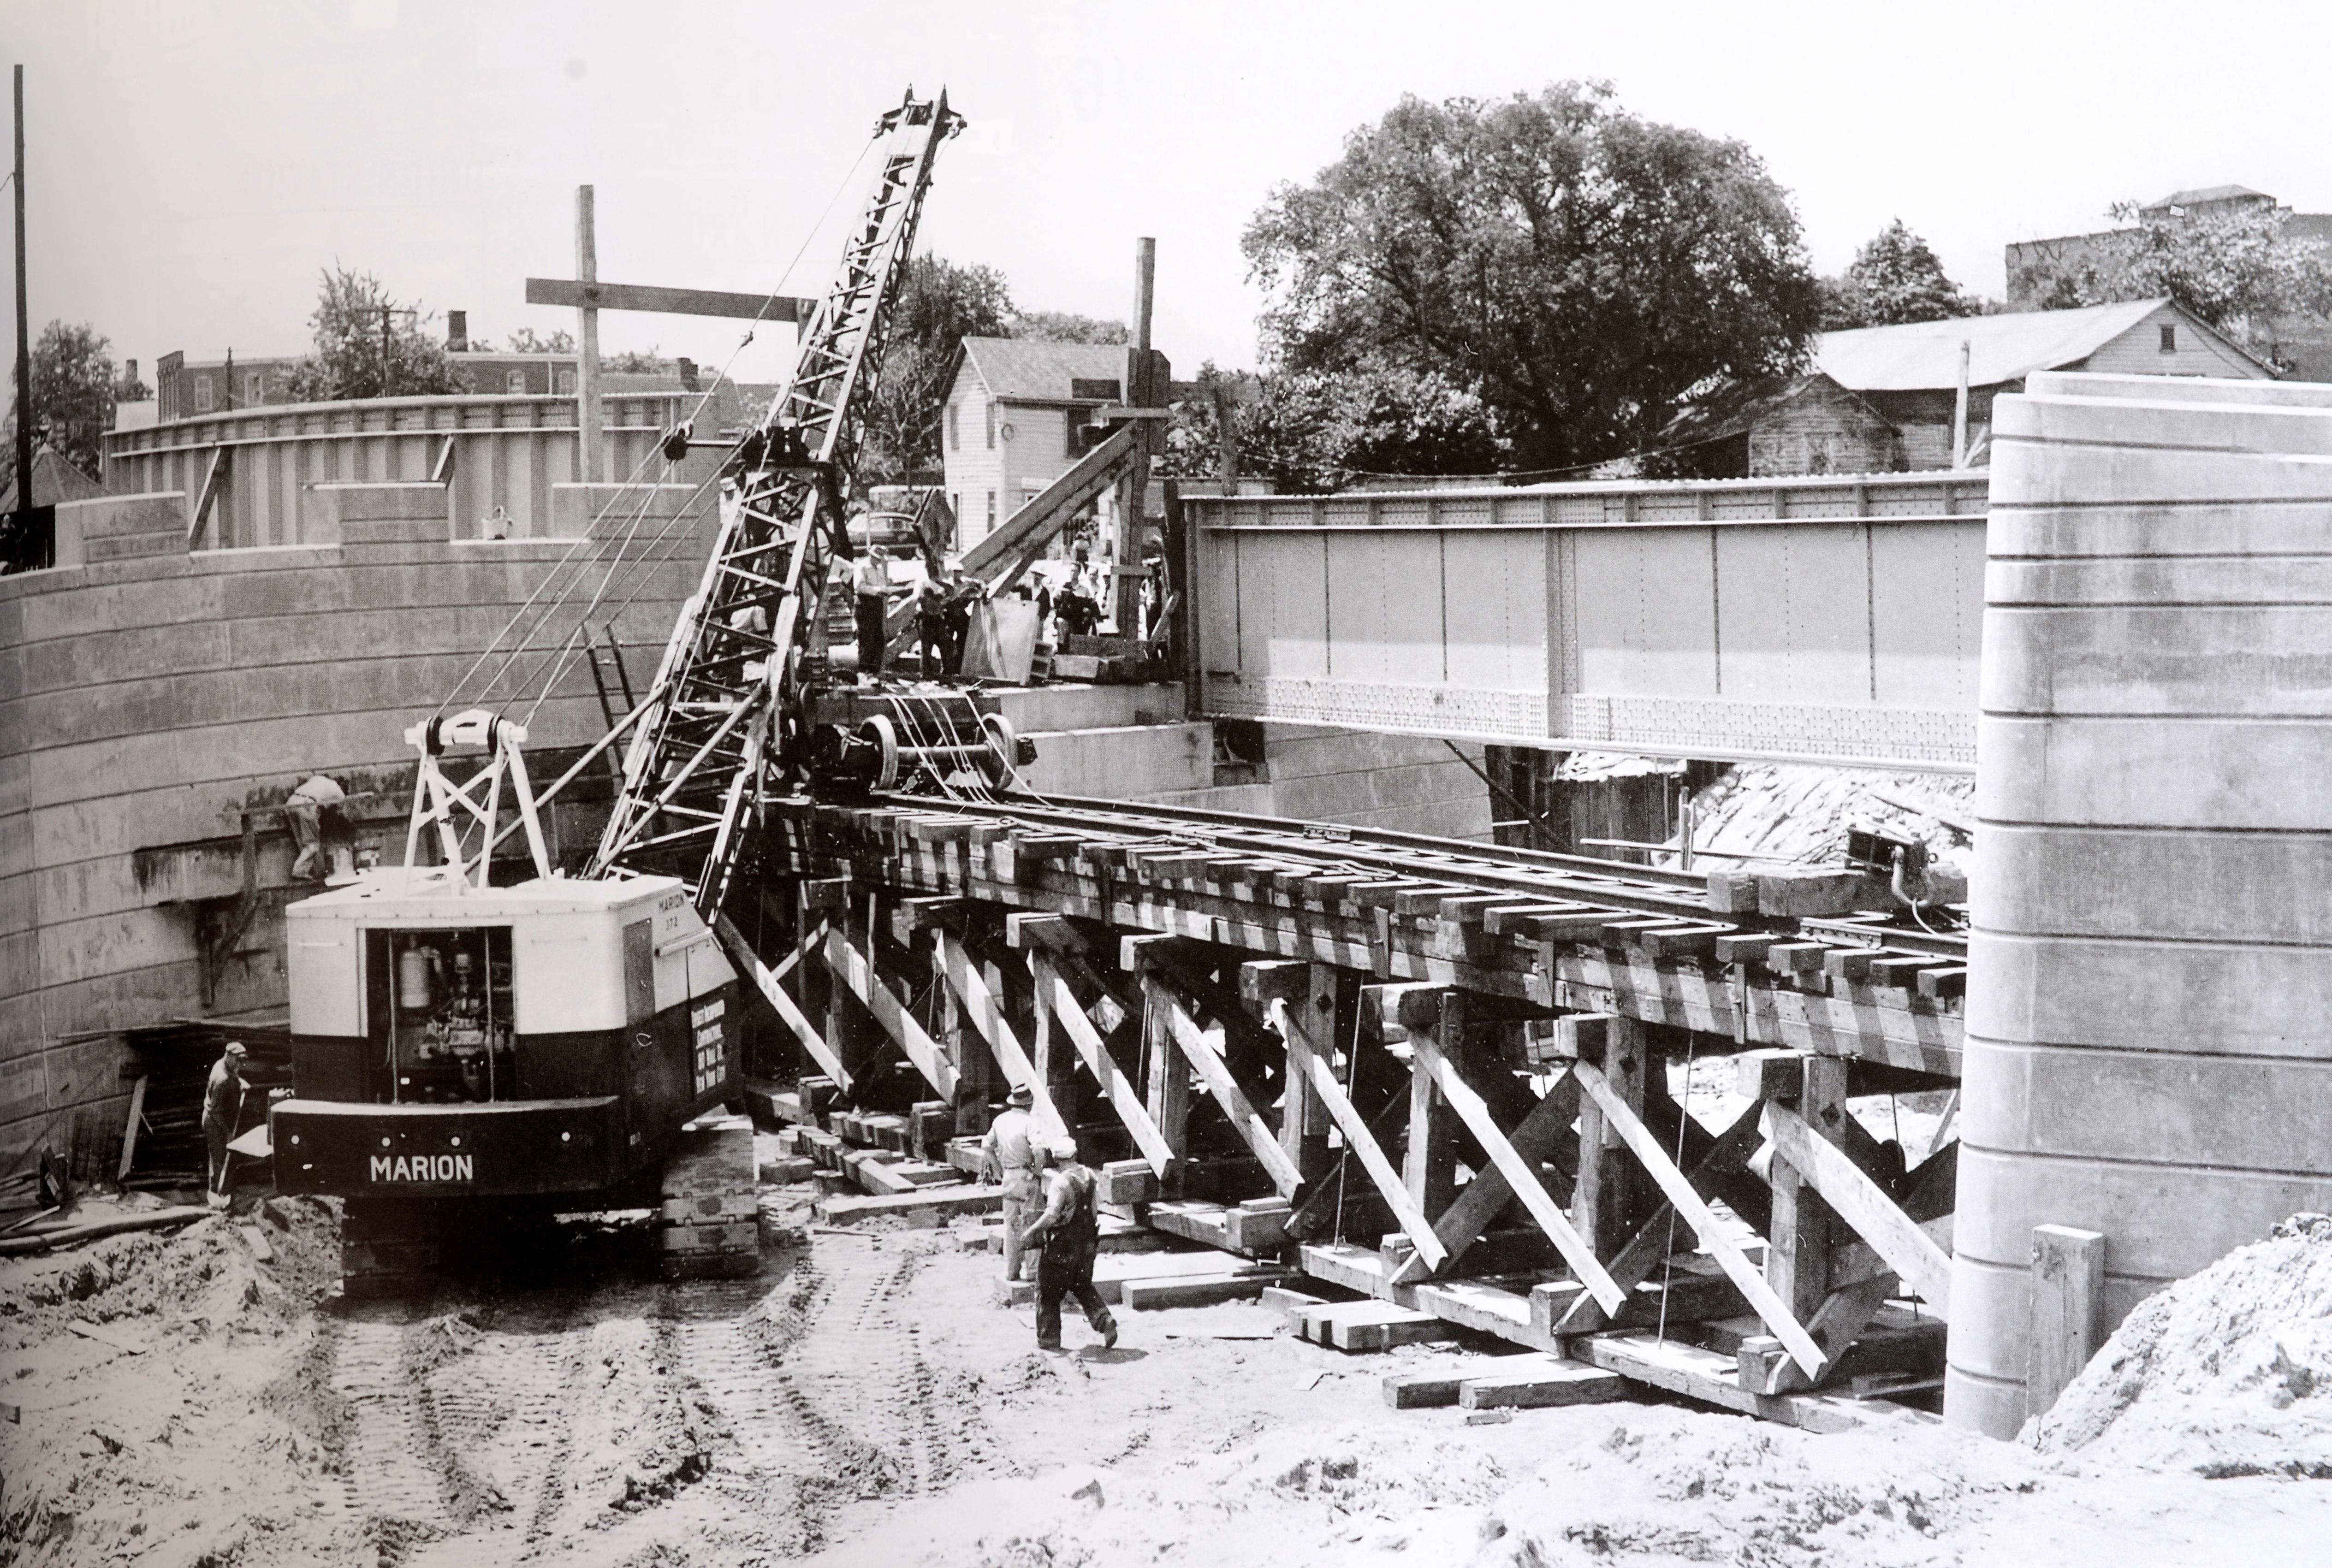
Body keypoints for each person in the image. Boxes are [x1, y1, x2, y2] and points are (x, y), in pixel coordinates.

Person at [1021, 1135, 1118, 1352]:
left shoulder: (1061, 1181)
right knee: (1082, 1285)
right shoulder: (1090, 1176)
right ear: (1075, 1155)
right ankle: (1105, 1320)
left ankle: (1049, 1342)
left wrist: (1033, 1229)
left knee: (1047, 1291)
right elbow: (1094, 1212)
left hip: (1063, 1247)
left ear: (1056, 1159)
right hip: (1087, 1246)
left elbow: (1053, 1214)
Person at [980, 1084, 1041, 1284]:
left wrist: (999, 1171)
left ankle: (1011, 1272)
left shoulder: (1000, 1120)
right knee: (1032, 1225)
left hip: (1009, 1177)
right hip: (1026, 1176)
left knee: (1011, 1227)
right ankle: (1033, 1272)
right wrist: (1037, 1173)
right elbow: (1039, 1150)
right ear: (1029, 1103)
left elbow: (987, 1147)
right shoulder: (1029, 1123)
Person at [202, 1041, 248, 1208]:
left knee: (222, 1159)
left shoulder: (224, 1064)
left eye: (243, 1061)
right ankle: (218, 1198)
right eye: (238, 1060)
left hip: (221, 1119)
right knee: (219, 1160)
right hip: (214, 1123)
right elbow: (215, 1112)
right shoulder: (221, 1079)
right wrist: (228, 1132)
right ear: (229, 1056)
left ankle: (223, 1192)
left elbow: (234, 1075)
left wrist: (240, 1082)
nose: (241, 1065)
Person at [286, 774, 347, 881]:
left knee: (303, 842)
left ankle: (305, 871)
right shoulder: (338, 791)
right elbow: (340, 806)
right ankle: (299, 871)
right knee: (313, 844)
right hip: (306, 805)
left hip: (291, 802)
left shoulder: (318, 778)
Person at [852, 546, 896, 675]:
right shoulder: (862, 567)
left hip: (877, 605)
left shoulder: (880, 568)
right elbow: (859, 587)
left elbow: (881, 584)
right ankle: (863, 670)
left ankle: (874, 671)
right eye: (876, 559)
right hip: (865, 604)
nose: (878, 562)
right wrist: (878, 591)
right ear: (871, 556)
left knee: (879, 639)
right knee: (866, 638)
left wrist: (887, 585)